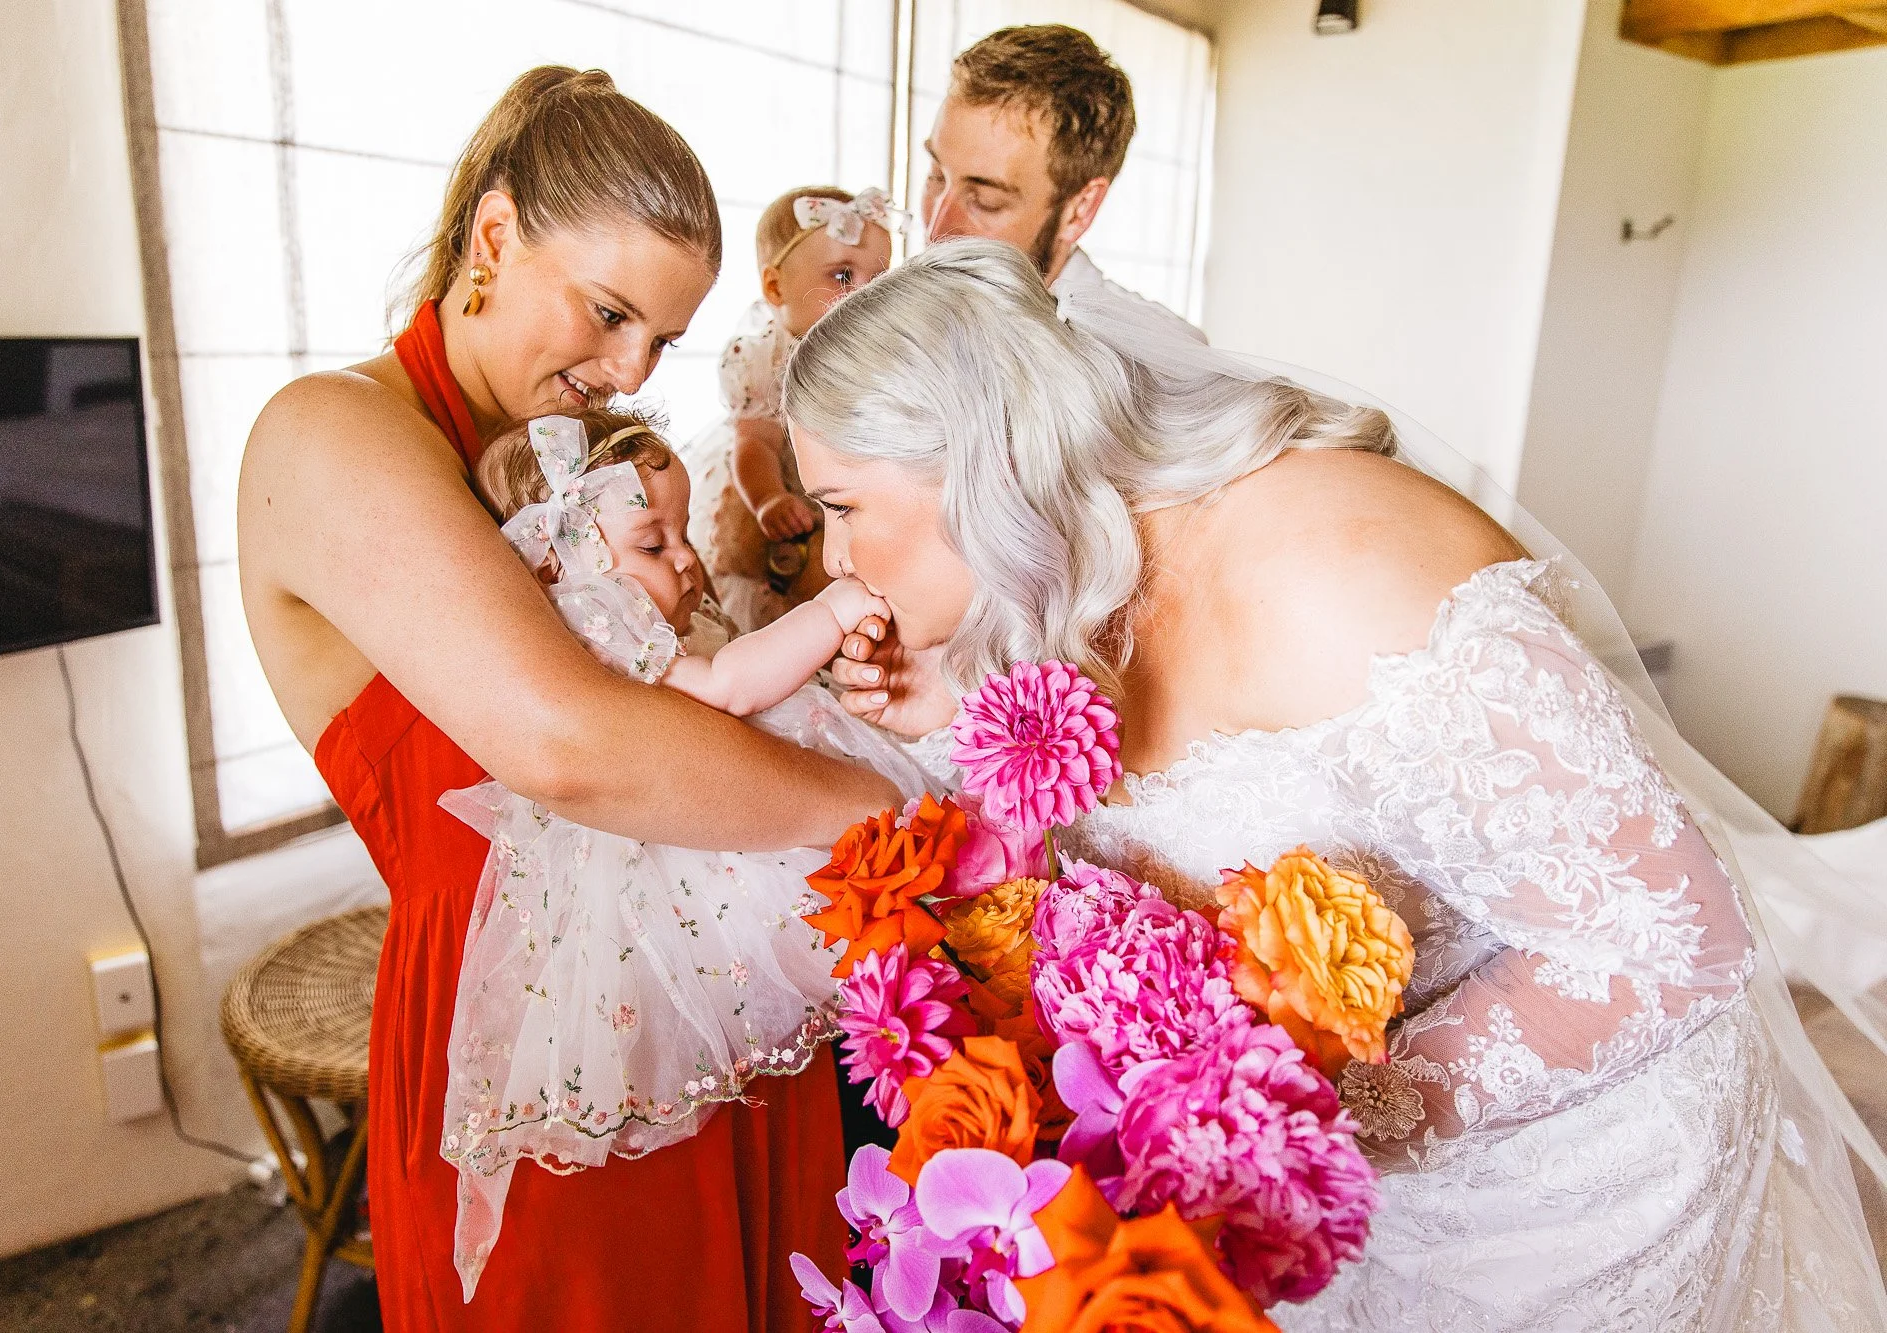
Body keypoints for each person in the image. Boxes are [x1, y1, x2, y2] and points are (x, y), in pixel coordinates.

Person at [789, 239, 1887, 1329]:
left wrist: (1304, 1118)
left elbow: (1671, 938)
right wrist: (949, 705)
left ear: (975, 467)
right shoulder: (1072, 577)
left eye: (841, 506)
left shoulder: (1340, 579)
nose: (833, 560)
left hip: (1564, 1193)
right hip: (1324, 1207)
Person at [236, 67, 897, 1332]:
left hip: (719, 1009)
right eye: (608, 313)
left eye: (662, 338)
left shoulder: (584, 462)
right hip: (549, 1058)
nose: (632, 365)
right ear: (493, 236)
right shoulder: (330, 433)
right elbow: (566, 741)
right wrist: (887, 817)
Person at [439, 408, 930, 1296]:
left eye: (684, 532)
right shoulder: (593, 619)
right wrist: (829, 609)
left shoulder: (630, 613)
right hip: (681, 862)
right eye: (653, 543)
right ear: (558, 559)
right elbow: (728, 686)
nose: (688, 560)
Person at [686, 185, 897, 631]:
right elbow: (754, 445)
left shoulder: (876, 356)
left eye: (879, 280)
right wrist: (769, 499)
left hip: (838, 497)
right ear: (775, 286)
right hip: (779, 488)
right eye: (842, 276)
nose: (863, 295)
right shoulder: (766, 359)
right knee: (765, 598)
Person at [920, 25, 1207, 350]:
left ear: (1079, 210)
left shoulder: (1154, 362)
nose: (935, 231)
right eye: (936, 176)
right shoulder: (914, 315)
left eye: (987, 200)